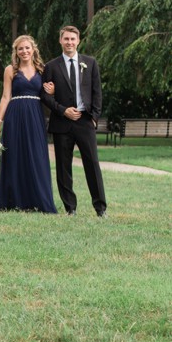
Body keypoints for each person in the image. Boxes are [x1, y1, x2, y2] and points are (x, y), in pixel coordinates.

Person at [40, 26, 106, 217]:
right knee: (63, 166)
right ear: (60, 41)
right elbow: (44, 95)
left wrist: (94, 117)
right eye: (66, 39)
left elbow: (97, 93)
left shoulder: (90, 63)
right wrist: (63, 110)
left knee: (92, 164)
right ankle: (70, 207)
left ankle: (100, 207)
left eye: (72, 39)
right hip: (62, 122)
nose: (69, 42)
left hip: (85, 121)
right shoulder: (51, 66)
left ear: (78, 41)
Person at [0, 35, 56, 213]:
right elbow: (6, 97)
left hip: (35, 115)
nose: (24, 51)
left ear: (33, 49)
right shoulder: (10, 70)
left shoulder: (42, 70)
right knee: (15, 155)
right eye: (20, 49)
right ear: (16, 52)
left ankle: (37, 199)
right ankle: (14, 200)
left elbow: (48, 94)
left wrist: (54, 90)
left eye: (27, 48)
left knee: (36, 155)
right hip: (15, 115)